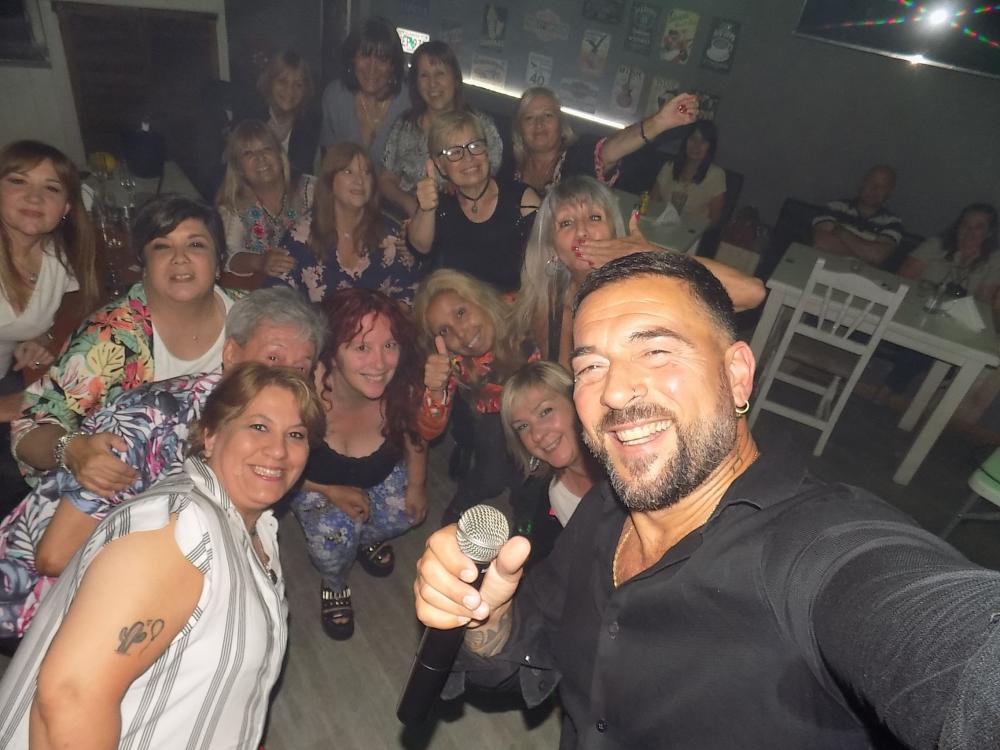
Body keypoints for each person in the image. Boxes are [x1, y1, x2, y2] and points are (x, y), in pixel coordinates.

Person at [414, 251, 1000, 748]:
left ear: (738, 375)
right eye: (591, 366)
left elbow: (953, 647)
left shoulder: (818, 548)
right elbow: (525, 649)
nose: (615, 390)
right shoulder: (601, 512)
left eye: (657, 351)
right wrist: (487, 620)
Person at [0, 362, 324, 748]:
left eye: (296, 434)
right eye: (258, 426)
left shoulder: (257, 529)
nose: (278, 450)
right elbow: (69, 698)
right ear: (211, 436)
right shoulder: (181, 532)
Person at [0, 286, 324, 638]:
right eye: (273, 359)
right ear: (231, 353)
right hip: (42, 606)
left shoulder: (276, 433)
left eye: (300, 368)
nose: (286, 380)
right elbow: (55, 556)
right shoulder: (149, 419)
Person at [11, 195, 235, 487]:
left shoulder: (254, 321)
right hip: (139, 487)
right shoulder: (111, 336)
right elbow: (29, 426)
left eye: (196, 244)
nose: (179, 257)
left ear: (218, 262)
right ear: (144, 267)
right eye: (162, 246)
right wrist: (73, 449)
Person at [514, 175, 766, 364]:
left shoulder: (647, 283)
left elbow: (752, 293)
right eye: (566, 223)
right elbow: (562, 385)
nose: (582, 231)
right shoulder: (549, 305)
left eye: (594, 217)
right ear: (552, 247)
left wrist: (650, 255)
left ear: (614, 231)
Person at [292, 289, 427, 640]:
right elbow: (271, 466)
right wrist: (328, 491)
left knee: (403, 515)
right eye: (361, 347)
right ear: (331, 352)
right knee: (331, 544)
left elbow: (415, 437)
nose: (380, 363)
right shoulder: (302, 393)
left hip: (377, 475)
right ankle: (335, 583)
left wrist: (416, 486)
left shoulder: (403, 385)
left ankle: (364, 539)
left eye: (389, 345)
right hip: (311, 483)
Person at [414, 269, 537, 524]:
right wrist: (435, 390)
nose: (460, 334)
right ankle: (464, 500)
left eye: (461, 313)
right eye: (444, 331)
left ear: (479, 299)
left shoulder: (525, 311)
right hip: (494, 418)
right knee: (490, 477)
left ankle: (525, 518)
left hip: (543, 410)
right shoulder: (453, 360)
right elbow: (428, 430)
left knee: (530, 483)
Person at [0, 141, 99, 424]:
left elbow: (53, 311)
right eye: (18, 181)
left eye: (52, 188)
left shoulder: (56, 257)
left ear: (66, 207)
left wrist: (36, 336)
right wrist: (6, 407)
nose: (35, 198)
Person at [267, 141, 422, 306]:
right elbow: (276, 298)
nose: (359, 180)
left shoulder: (391, 234)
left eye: (366, 172)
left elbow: (410, 293)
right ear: (329, 181)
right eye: (348, 172)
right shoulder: (301, 236)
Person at [409, 111, 539, 293]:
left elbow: (545, 266)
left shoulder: (522, 199)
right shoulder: (439, 204)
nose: (468, 158)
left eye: (475, 146)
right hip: (456, 304)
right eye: (455, 152)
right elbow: (420, 249)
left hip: (512, 306)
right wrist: (426, 209)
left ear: (487, 151)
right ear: (439, 165)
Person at [380, 41, 503, 218]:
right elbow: (386, 180)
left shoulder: (481, 124)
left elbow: (493, 178)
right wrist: (411, 205)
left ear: (455, 79)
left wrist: (461, 186)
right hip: (409, 219)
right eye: (424, 75)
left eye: (440, 74)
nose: (433, 84)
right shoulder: (405, 125)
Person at [501, 87, 699, 196]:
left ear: (561, 124)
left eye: (548, 115)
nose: (539, 124)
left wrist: (659, 122)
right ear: (519, 128)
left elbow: (610, 150)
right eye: (529, 118)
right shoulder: (507, 165)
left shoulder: (577, 156)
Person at [501, 360, 598, 564]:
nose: (537, 435)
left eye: (545, 412)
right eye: (523, 426)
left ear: (576, 402)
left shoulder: (626, 466)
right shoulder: (554, 496)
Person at [216, 119, 315, 282]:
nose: (260, 158)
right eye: (248, 153)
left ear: (280, 155)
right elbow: (227, 258)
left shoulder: (310, 190)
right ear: (238, 168)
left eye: (266, 149)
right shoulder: (232, 207)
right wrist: (260, 262)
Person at [319, 16, 408, 163]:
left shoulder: (407, 103)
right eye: (365, 56)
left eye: (382, 59)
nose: (372, 68)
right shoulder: (334, 97)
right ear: (352, 58)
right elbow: (331, 164)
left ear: (393, 66)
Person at [900, 202, 999, 306]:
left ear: (989, 232)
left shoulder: (995, 261)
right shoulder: (934, 246)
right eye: (965, 224)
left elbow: (984, 302)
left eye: (978, 227)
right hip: (914, 303)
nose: (969, 231)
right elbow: (902, 278)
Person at [243, 50, 321, 178]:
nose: (290, 90)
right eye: (282, 81)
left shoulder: (309, 126)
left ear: (306, 90)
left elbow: (305, 175)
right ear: (269, 82)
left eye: (298, 85)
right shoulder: (250, 120)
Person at [812, 164, 903, 267]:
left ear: (890, 192)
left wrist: (840, 231)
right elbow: (821, 242)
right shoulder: (835, 207)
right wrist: (862, 261)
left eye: (882, 187)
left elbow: (877, 255)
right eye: (871, 182)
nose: (874, 189)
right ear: (862, 183)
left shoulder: (892, 223)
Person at [649, 120, 726, 225]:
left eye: (703, 141)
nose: (696, 145)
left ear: (710, 146)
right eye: (693, 139)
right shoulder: (669, 167)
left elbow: (714, 220)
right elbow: (652, 203)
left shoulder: (716, 175)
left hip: (692, 232)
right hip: (660, 225)